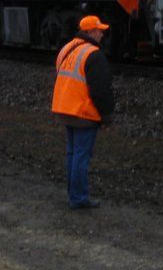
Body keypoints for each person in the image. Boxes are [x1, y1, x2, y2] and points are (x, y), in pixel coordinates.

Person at [51, 15, 115, 209]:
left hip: (64, 109)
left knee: (72, 153)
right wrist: (107, 117)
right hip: (83, 113)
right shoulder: (94, 55)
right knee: (81, 155)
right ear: (91, 32)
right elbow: (100, 90)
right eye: (100, 31)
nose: (102, 35)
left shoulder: (66, 48)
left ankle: (73, 194)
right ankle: (78, 199)